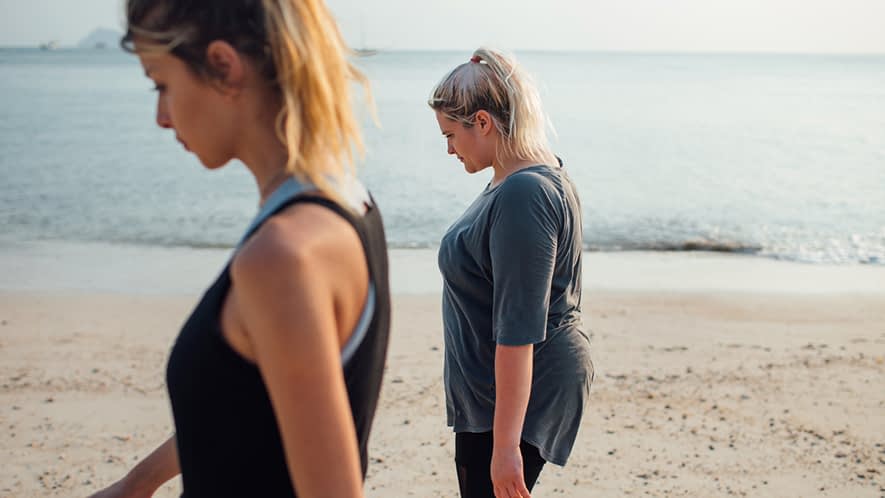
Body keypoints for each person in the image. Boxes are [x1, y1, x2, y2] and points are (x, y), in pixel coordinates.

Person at [88, 1, 390, 497]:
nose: (161, 117)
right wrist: (134, 486)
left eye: (162, 84)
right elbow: (247, 408)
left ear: (224, 67)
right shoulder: (350, 202)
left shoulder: (282, 256)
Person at [428, 48, 594, 498]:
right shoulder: (514, 177)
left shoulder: (526, 192)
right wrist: (509, 75)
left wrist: (505, 446)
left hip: (518, 393)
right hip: (491, 393)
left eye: (451, 134)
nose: (448, 148)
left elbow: (518, 327)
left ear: (482, 122)